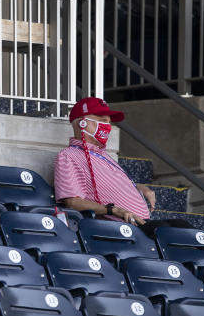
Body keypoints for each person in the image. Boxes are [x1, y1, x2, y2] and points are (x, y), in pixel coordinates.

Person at [53, 97, 192, 238]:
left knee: (184, 226)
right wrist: (113, 210)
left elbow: (107, 186)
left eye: (109, 121)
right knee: (166, 232)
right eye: (102, 120)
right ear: (82, 122)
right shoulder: (68, 156)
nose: (107, 125)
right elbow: (72, 202)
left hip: (141, 223)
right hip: (117, 228)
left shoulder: (102, 155)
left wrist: (138, 187)